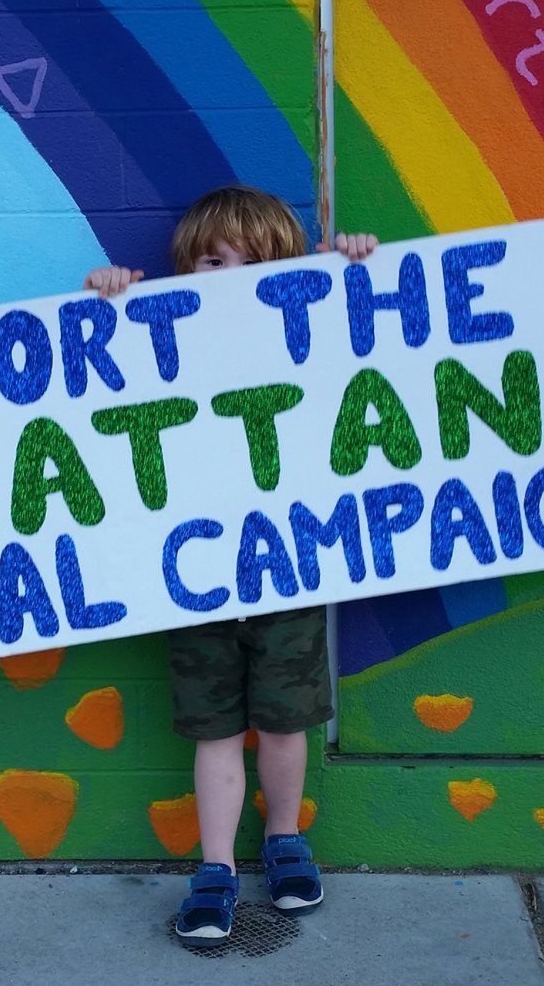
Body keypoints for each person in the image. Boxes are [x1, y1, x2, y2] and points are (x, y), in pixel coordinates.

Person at [83, 186, 378, 947]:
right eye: (214, 261)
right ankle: (214, 868)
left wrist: (352, 270)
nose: (232, 275)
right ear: (186, 270)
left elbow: (365, 351)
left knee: (285, 725)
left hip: (289, 569)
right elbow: (94, 380)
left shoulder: (306, 331)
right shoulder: (158, 336)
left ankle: (285, 841)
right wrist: (109, 299)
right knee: (214, 731)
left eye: (256, 263)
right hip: (198, 577)